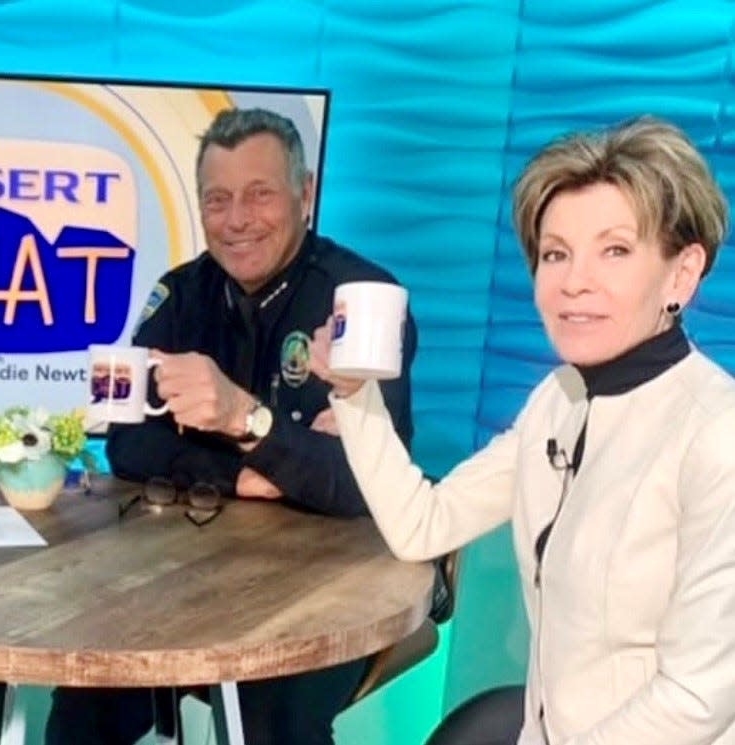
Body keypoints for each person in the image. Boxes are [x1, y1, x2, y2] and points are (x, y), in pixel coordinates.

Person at [314, 116, 735, 744]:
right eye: (555, 253)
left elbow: (695, 700)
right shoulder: (559, 399)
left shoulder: (715, 432)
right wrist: (355, 394)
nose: (573, 282)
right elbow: (423, 525)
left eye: (615, 250)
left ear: (681, 274)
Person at [46, 108, 417, 744]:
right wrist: (247, 470)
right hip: (185, 579)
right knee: (86, 701)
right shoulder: (179, 294)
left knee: (273, 718)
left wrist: (241, 421)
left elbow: (365, 487)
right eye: (218, 199)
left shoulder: (363, 303)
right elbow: (128, 439)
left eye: (260, 194)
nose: (237, 219)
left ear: (304, 194)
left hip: (325, 588)